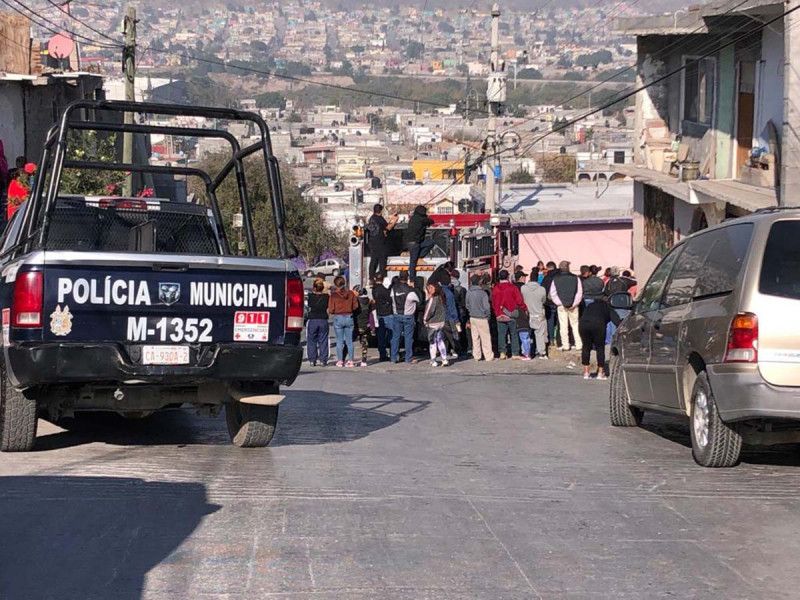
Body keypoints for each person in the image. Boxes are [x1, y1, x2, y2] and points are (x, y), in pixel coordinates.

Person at [579, 295, 621, 380]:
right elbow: (617, 321)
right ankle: (600, 373)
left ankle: (586, 372)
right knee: (600, 348)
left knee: (586, 347)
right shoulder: (607, 307)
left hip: (583, 324)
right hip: (598, 325)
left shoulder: (590, 305)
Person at [491, 269, 527, 359]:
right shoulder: (512, 287)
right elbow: (519, 301)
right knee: (514, 334)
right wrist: (524, 308)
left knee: (501, 334)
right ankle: (515, 353)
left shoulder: (495, 288)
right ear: (507, 277)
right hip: (511, 314)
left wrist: (496, 311)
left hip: (499, 314)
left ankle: (502, 352)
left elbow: (493, 302)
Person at [549, 260, 583, 352]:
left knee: (563, 326)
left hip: (561, 306)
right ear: (568, 267)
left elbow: (553, 293)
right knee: (575, 325)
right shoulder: (576, 278)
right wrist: (574, 303)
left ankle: (565, 345)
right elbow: (579, 292)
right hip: (574, 306)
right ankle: (579, 344)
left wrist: (560, 303)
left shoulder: (555, 279)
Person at [328, 276, 359, 367]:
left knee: (339, 341)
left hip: (338, 317)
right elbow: (355, 306)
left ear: (335, 284)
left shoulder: (333, 295)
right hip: (349, 317)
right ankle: (351, 361)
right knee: (349, 341)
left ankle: (340, 361)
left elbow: (331, 309)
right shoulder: (351, 294)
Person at [389, 271, 420, 363]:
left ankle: (393, 358)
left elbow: (391, 298)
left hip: (396, 315)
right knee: (408, 338)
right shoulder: (410, 290)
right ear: (408, 278)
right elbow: (418, 300)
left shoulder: (393, 289)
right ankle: (408, 358)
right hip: (408, 316)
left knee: (395, 337)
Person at [521, 268, 549, 359]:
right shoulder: (542, 289)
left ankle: (526, 352)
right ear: (537, 279)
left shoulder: (523, 288)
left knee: (526, 335)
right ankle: (542, 352)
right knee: (540, 334)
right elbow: (544, 301)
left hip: (527, 314)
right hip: (538, 314)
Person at [465, 274, 494, 361]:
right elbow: (487, 307)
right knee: (485, 338)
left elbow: (467, 305)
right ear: (479, 282)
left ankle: (477, 356)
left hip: (472, 317)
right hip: (482, 317)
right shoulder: (483, 293)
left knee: (475, 338)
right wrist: (488, 316)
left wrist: (471, 311)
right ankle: (488, 356)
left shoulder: (468, 292)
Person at [366, 204, 398, 281]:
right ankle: (382, 277)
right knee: (382, 260)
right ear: (381, 211)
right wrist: (394, 221)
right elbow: (388, 227)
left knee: (373, 260)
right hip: (380, 242)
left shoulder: (372, 218)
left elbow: (382, 226)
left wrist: (390, 219)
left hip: (372, 242)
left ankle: (371, 277)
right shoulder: (379, 218)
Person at [405, 205, 435, 281]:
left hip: (411, 242)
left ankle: (418, 256)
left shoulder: (413, 218)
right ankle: (412, 279)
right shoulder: (422, 219)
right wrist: (426, 217)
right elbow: (431, 221)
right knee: (413, 262)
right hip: (415, 243)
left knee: (430, 243)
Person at [423, 282, 450, 367]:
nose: (429, 290)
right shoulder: (441, 298)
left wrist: (424, 319)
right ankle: (444, 359)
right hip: (441, 322)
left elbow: (429, 311)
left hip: (432, 323)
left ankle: (433, 360)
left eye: (431, 288)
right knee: (440, 340)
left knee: (432, 342)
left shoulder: (433, 299)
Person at [306, 279, 330, 367]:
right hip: (323, 319)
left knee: (311, 340)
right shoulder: (326, 297)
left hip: (313, 319)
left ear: (314, 288)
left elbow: (309, 305)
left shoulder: (311, 296)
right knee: (323, 340)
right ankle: (323, 360)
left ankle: (312, 359)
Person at [372, 275, 393, 361]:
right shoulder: (385, 290)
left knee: (381, 336)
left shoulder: (374, 290)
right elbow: (390, 300)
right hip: (388, 313)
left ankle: (382, 355)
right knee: (392, 335)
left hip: (379, 314)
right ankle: (393, 354)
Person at [541, 261, 559, 345]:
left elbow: (543, 290)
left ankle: (551, 339)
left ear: (548, 268)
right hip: (560, 302)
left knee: (550, 321)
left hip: (549, 303)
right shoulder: (560, 276)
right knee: (560, 321)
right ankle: (560, 339)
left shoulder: (546, 278)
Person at [514, 276, 532, 360]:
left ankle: (526, 353)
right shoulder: (523, 306)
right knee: (525, 337)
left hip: (520, 320)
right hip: (524, 319)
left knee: (523, 336)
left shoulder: (516, 307)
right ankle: (526, 353)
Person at [355, 288, 371, 367]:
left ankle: (346, 359)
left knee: (349, 342)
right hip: (365, 324)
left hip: (356, 324)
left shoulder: (356, 300)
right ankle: (364, 361)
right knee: (364, 343)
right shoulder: (369, 301)